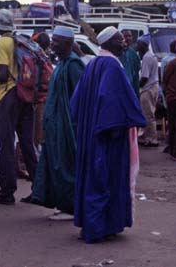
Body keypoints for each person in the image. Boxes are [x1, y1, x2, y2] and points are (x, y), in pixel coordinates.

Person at [70, 26, 146, 243]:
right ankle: (99, 228)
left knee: (94, 176)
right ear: (109, 43)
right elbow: (111, 99)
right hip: (108, 133)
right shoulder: (111, 65)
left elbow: (76, 103)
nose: (124, 43)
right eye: (120, 40)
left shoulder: (93, 64)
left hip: (91, 131)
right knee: (105, 178)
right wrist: (120, 124)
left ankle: (102, 225)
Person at [0, 9, 37, 205]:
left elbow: (2, 74)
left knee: (6, 144)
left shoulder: (2, 42)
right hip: (25, 95)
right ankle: (38, 189)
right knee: (28, 144)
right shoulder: (21, 40)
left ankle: (7, 192)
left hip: (8, 95)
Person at [30, 26, 85, 219]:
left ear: (68, 44)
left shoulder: (74, 65)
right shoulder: (60, 64)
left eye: (56, 41)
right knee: (55, 165)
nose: (52, 44)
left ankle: (70, 208)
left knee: (66, 167)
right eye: (52, 40)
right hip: (55, 127)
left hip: (67, 128)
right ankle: (61, 204)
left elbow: (80, 98)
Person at [137, 35, 160, 147]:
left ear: (143, 45)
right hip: (153, 87)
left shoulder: (147, 57)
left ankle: (152, 139)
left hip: (148, 88)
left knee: (148, 115)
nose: (137, 46)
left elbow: (144, 77)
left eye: (138, 44)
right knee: (148, 113)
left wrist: (137, 87)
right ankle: (146, 137)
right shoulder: (150, 56)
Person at [119, 30, 141, 96]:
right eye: (125, 36)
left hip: (131, 89)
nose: (128, 38)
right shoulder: (117, 53)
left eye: (130, 36)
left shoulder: (134, 54)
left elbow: (136, 76)